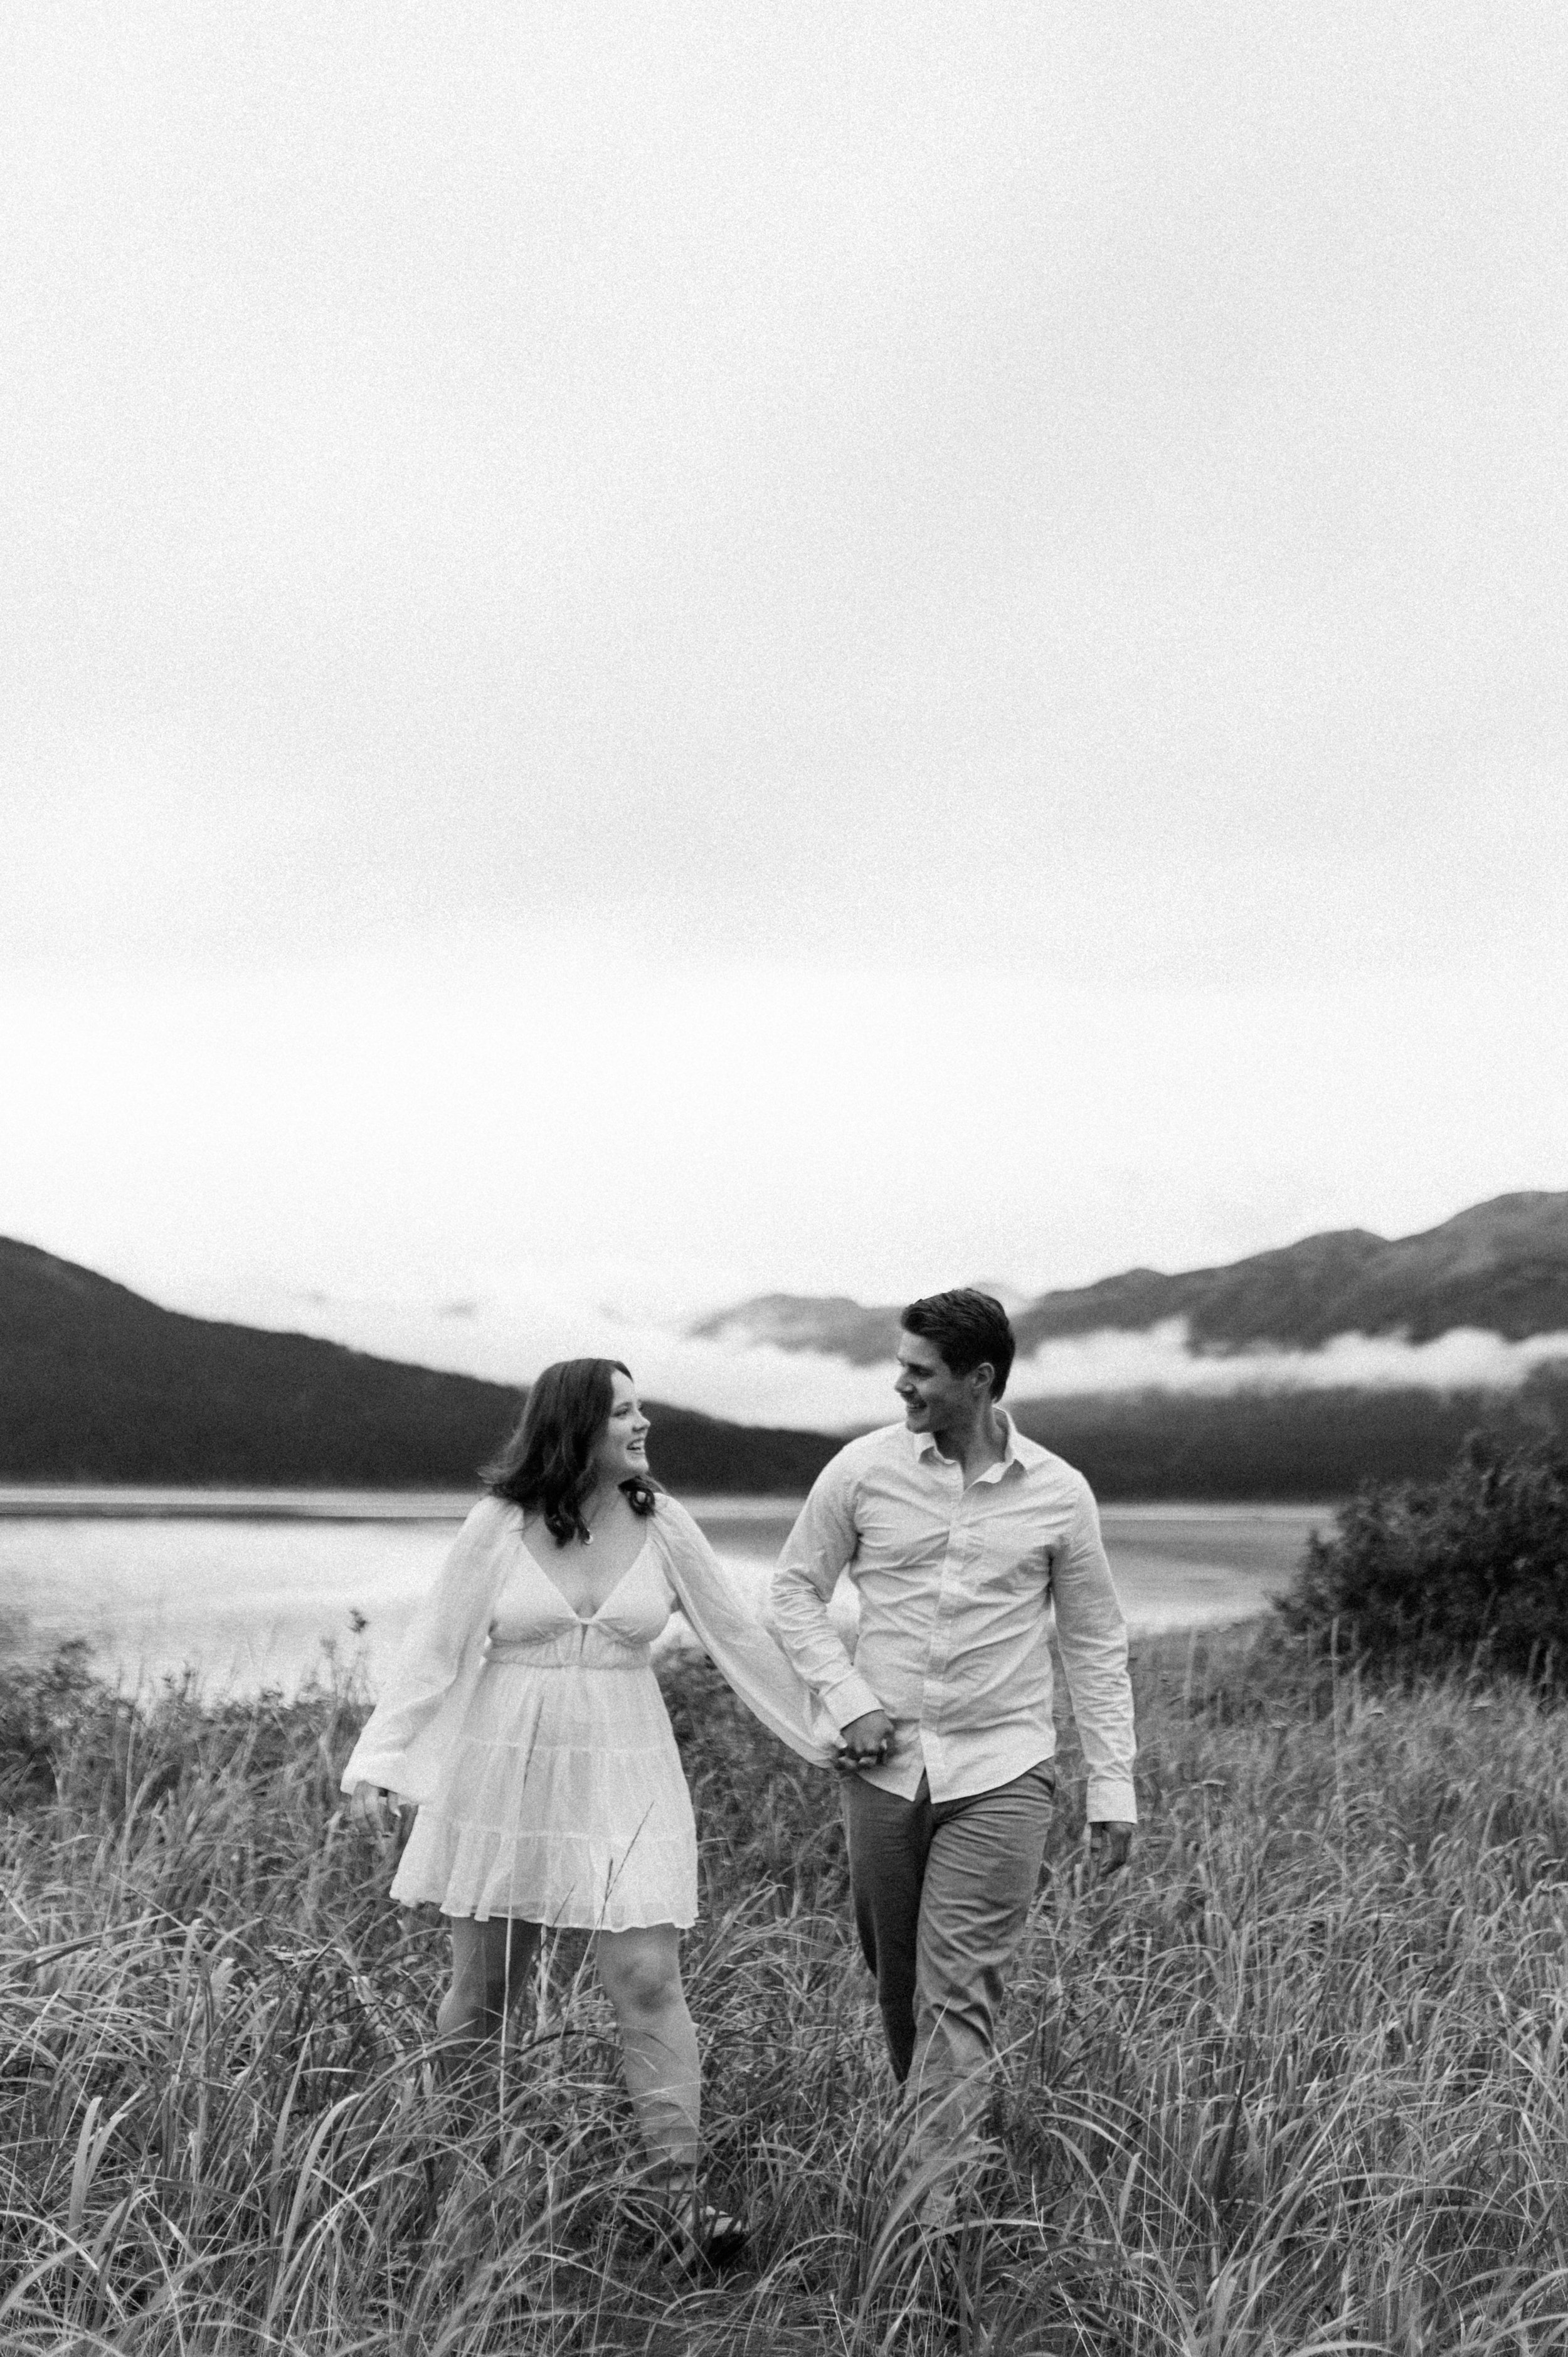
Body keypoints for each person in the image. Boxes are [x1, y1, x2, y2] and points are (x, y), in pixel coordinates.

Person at [342, 1358, 835, 2266]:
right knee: (485, 1991)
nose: (644, 1423)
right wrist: (379, 1763)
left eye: (642, 1404)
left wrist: (831, 1725)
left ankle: (680, 2204)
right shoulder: (499, 1524)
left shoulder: (662, 1518)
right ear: (576, 1426)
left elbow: (739, 1636)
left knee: (648, 1978)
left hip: (626, 1764)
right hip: (507, 1767)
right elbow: (436, 1646)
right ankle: (455, 2184)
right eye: (625, 1411)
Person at [765, 1288, 1137, 2227]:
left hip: (1006, 1772)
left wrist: (1113, 1786)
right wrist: (847, 1701)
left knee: (957, 1992)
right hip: (882, 1775)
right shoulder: (861, 1470)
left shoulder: (1060, 1490)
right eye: (902, 1365)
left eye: (921, 1371)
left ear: (979, 1379)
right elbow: (794, 1592)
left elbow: (1094, 1641)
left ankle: (932, 2227)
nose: (902, 1383)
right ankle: (948, 2142)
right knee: (903, 1992)